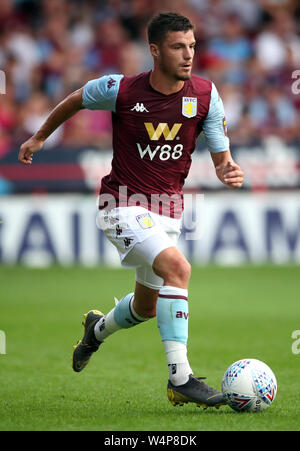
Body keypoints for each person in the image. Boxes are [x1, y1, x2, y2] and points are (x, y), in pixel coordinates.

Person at [18, 12, 244, 409]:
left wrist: (227, 169)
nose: (188, 55)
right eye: (178, 47)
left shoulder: (206, 96)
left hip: (167, 211)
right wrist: (38, 138)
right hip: (119, 204)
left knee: (145, 307)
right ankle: (181, 379)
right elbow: (75, 99)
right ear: (155, 51)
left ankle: (96, 330)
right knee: (179, 269)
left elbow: (222, 156)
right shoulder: (121, 90)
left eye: (192, 46)